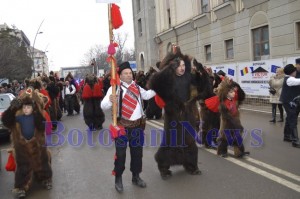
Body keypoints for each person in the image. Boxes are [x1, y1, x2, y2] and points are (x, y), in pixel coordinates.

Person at [101, 61, 156, 193]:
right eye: (125, 73)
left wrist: (158, 88)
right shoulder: (114, 88)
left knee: (137, 154)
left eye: (130, 73)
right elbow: (104, 106)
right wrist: (110, 99)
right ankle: (118, 178)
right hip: (121, 127)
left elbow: (147, 95)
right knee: (120, 155)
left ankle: (136, 176)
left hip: (137, 127)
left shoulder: (136, 87)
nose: (128, 75)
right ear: (120, 75)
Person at [279, 64, 300, 148]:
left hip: (292, 101)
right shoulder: (290, 79)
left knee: (289, 118)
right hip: (288, 102)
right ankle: (295, 141)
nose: (296, 72)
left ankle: (287, 136)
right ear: (292, 72)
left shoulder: (291, 78)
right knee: (292, 119)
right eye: (295, 70)